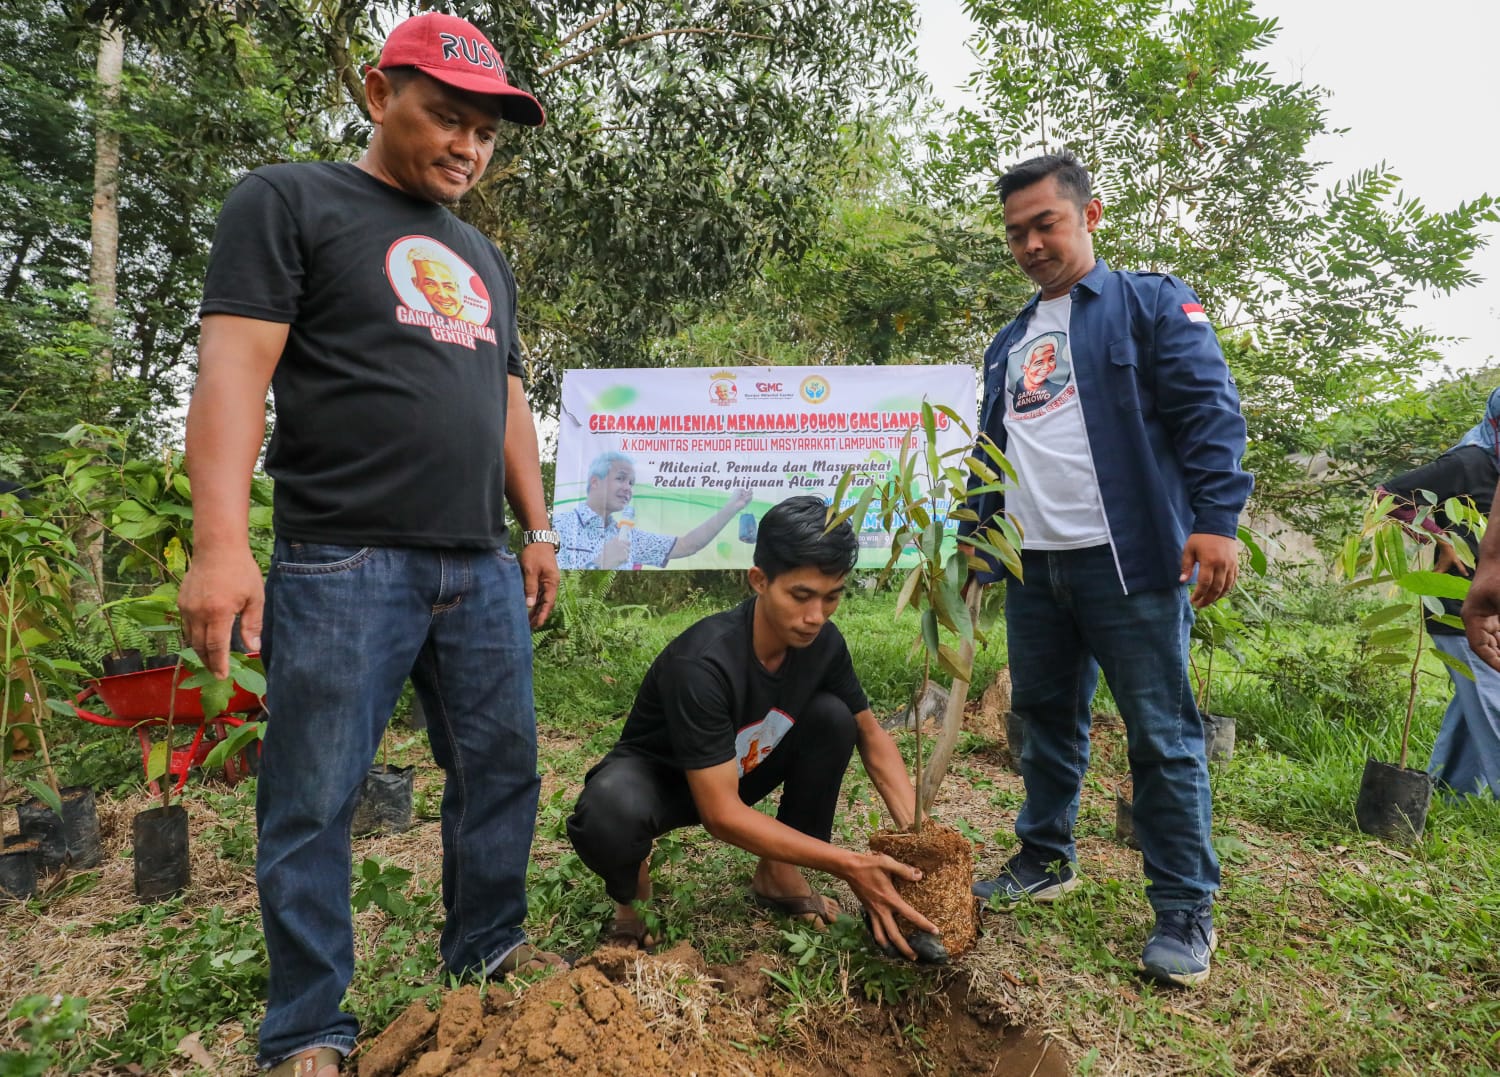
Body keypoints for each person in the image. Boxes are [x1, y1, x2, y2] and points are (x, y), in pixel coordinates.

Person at [176, 14, 561, 1077]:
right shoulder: (290, 200)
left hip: (476, 564)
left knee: (502, 769)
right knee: (313, 796)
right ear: (374, 90)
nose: (468, 148)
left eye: (486, 133)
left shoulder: (480, 255)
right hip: (344, 561)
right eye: (446, 117)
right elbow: (234, 372)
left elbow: (507, 401)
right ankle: (306, 1027)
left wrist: (535, 528)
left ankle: (486, 963)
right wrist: (221, 545)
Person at [961, 152, 1252, 987]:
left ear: (1089, 217)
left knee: (1162, 736)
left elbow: (1209, 412)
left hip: (1129, 564)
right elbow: (994, 451)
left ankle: (1184, 908)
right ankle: (1046, 855)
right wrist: (979, 541)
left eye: (1045, 223)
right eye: (1015, 231)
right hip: (1036, 565)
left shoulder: (1149, 303)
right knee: (1045, 720)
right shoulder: (1009, 342)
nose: (1029, 243)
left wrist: (1216, 521)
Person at [565, 495, 939, 960]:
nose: (816, 616)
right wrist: (850, 865)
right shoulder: (703, 663)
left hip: (739, 767)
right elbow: (720, 814)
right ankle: (632, 899)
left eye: (832, 596)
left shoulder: (824, 644)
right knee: (608, 811)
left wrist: (919, 836)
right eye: (801, 596)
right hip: (663, 783)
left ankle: (778, 874)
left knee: (834, 718)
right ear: (759, 580)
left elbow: (872, 734)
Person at [1381, 443, 1500, 801]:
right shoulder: (1470, 462)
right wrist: (1440, 537)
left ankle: (1452, 793)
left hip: (1492, 612)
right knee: (1494, 701)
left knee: (1473, 706)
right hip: (1458, 608)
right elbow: (1389, 495)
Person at [554, 450, 752, 569]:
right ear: (595, 482)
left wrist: (731, 508)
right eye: (621, 478)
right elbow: (550, 584)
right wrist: (599, 563)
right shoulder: (559, 526)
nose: (627, 488)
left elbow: (686, 545)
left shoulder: (628, 538)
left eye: (631, 483)